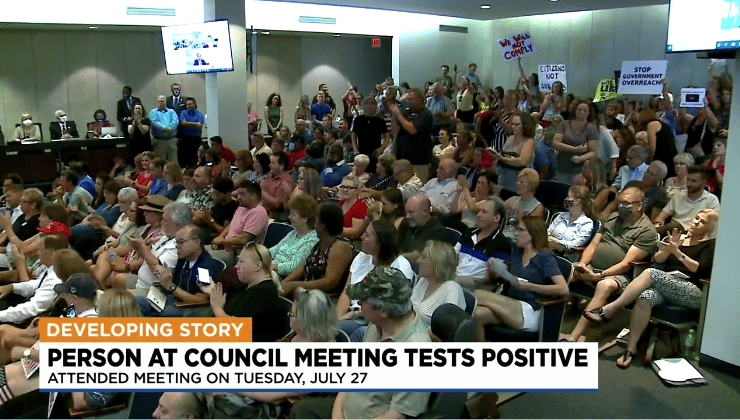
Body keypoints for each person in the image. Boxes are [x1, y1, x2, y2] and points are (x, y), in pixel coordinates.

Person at [585, 209, 718, 368]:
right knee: (646, 296)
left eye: (702, 221)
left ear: (710, 228)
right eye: (696, 218)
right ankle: (631, 348)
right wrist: (667, 250)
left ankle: (610, 309)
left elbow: (699, 269)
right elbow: (658, 260)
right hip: (665, 284)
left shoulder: (710, 244)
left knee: (650, 273)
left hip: (691, 290)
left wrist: (677, 252)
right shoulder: (680, 237)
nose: (696, 222)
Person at [563, 186, 658, 342]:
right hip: (591, 268)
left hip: (619, 275)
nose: (621, 206)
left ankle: (574, 337)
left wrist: (599, 276)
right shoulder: (613, 217)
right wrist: (583, 264)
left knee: (604, 286)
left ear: (639, 205)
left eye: (626, 203)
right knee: (562, 273)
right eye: (620, 202)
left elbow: (627, 264)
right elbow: (593, 245)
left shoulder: (646, 230)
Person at [475, 216, 568, 340]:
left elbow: (563, 289)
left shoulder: (545, 257)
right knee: (477, 314)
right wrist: (493, 269)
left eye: (520, 230)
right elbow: (500, 275)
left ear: (531, 235)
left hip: (531, 310)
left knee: (477, 294)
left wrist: (530, 286)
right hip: (510, 305)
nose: (516, 234)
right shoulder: (517, 253)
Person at [337, 220, 414, 338]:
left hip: (376, 321)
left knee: (331, 330)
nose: (361, 236)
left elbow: (389, 308)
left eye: (367, 235)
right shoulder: (362, 257)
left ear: (379, 243)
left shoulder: (400, 267)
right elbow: (347, 292)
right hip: (352, 313)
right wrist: (338, 317)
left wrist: (351, 315)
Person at [204, 243, 286, 341]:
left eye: (241, 261)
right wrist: (214, 292)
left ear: (257, 265)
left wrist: (217, 308)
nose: (236, 266)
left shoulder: (262, 294)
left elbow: (234, 330)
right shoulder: (247, 286)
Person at [136, 225, 223, 316]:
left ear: (197, 243)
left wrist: (171, 286)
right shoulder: (184, 259)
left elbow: (201, 300)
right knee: (137, 302)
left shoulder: (204, 267)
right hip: (172, 299)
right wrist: (164, 274)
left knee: (144, 311)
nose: (177, 246)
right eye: (176, 242)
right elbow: (175, 281)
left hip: (187, 308)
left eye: (181, 242)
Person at [280, 203, 354, 299]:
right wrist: (285, 283)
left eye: (316, 221)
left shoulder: (340, 246)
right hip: (307, 292)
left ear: (322, 225)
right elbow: (305, 266)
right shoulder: (321, 242)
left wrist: (294, 285)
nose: (314, 224)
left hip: (325, 300)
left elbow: (329, 283)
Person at [0, 234, 67, 324]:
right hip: (25, 310)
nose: (37, 252)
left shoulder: (55, 279)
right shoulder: (52, 269)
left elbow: (32, 308)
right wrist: (12, 287)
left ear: (52, 253)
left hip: (30, 321)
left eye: (40, 249)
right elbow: (35, 285)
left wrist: (1, 315)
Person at [455, 198, 512, 288]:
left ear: (496, 218)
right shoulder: (468, 233)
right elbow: (453, 257)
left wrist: (458, 281)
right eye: (480, 211)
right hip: (454, 281)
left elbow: (490, 281)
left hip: (476, 289)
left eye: (484, 212)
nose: (478, 215)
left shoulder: (502, 245)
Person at [209, 180, 269, 267]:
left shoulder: (258, 212)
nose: (238, 197)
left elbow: (244, 239)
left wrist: (222, 241)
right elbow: (232, 224)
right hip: (224, 247)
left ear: (253, 196)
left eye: (242, 194)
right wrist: (221, 236)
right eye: (238, 194)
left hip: (238, 254)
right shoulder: (242, 206)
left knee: (202, 259)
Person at [412, 240, 466, 328]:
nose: (418, 261)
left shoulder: (452, 290)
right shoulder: (423, 281)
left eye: (424, 257)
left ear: (437, 263)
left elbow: (449, 333)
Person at [653, 165, 720, 235]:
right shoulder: (678, 196)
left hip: (695, 234)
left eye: (693, 181)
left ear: (704, 183)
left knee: (674, 226)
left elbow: (713, 225)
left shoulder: (712, 200)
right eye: (688, 179)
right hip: (673, 233)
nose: (688, 184)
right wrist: (657, 224)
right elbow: (663, 215)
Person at [269, 195, 319, 278]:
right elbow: (274, 249)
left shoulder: (312, 240)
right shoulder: (293, 232)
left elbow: (294, 267)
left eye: (293, 214)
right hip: (271, 269)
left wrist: (273, 266)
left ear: (304, 218)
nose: (289, 217)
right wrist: (259, 256)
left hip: (282, 277)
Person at [392, 88, 434, 182]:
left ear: (420, 100)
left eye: (411, 99)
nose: (408, 102)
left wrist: (399, 115)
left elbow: (412, 129)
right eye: (407, 99)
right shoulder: (407, 112)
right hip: (403, 158)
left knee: (416, 186)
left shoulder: (425, 114)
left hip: (418, 161)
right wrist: (395, 114)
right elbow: (394, 129)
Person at [552, 100, 599, 185]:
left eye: (585, 110)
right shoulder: (564, 124)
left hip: (580, 167)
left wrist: (580, 158)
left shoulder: (591, 128)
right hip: (562, 164)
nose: (582, 112)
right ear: (575, 110)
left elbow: (593, 152)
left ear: (589, 113)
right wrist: (575, 149)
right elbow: (555, 143)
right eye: (579, 109)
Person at [490, 111, 537, 196]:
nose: (513, 127)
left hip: (519, 185)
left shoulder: (529, 142)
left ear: (525, 126)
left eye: (517, 125)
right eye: (513, 124)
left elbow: (522, 161)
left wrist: (502, 158)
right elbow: (501, 156)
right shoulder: (510, 138)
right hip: (503, 181)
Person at [398, 195, 447, 265]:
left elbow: (419, 255)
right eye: (406, 213)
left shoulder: (437, 230)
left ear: (425, 211)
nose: (407, 216)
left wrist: (395, 258)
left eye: (411, 212)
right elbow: (395, 244)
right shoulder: (406, 223)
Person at [548, 185, 596, 253]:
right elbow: (548, 232)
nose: (566, 199)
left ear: (577, 201)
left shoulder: (586, 223)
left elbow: (574, 245)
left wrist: (555, 241)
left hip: (566, 255)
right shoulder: (561, 216)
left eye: (569, 197)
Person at [351, 98, 389, 173]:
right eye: (369, 104)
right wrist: (355, 149)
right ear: (364, 106)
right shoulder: (358, 119)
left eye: (373, 104)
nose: (371, 107)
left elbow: (387, 138)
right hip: (361, 150)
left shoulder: (380, 121)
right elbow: (353, 135)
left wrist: (382, 148)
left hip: (375, 152)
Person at [636, 109, 678, 178]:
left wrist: (649, 160)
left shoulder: (652, 125)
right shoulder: (660, 124)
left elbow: (652, 146)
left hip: (664, 158)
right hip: (669, 156)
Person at [149, 95, 179, 161]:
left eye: (162, 101)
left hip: (171, 140)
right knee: (161, 162)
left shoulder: (171, 111)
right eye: (159, 101)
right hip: (159, 140)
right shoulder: (153, 112)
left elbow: (175, 121)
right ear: (157, 102)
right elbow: (155, 122)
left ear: (165, 102)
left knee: (173, 161)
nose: (160, 103)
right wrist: (165, 128)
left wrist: (170, 128)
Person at [178, 97, 205, 168]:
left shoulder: (199, 114)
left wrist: (188, 123)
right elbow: (183, 123)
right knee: (184, 159)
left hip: (196, 139)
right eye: (187, 104)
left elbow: (199, 125)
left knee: (196, 157)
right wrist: (194, 124)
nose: (188, 106)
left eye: (190, 104)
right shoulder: (183, 112)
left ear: (194, 104)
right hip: (186, 139)